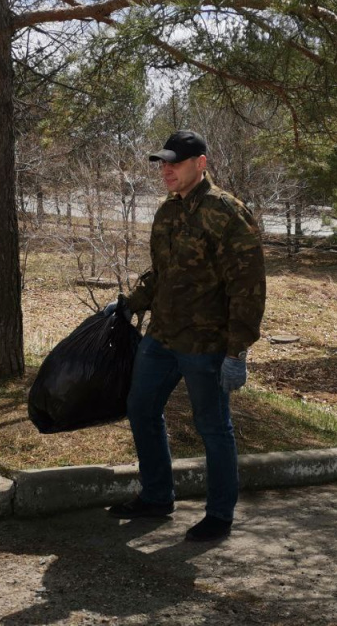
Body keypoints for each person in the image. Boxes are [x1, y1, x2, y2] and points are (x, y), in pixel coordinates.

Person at [103, 130, 266, 542]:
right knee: (141, 408)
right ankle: (157, 496)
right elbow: (163, 273)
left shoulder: (226, 212)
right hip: (162, 337)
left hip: (206, 345)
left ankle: (220, 515)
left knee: (213, 427)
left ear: (201, 163)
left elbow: (248, 286)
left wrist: (237, 350)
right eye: (163, 163)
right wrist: (132, 303)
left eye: (175, 162)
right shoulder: (168, 212)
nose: (166, 170)